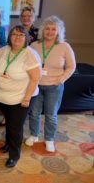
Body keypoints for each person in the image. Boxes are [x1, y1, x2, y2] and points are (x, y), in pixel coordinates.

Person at [25, 16, 76, 152]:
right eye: (47, 28)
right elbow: (27, 64)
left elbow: (71, 67)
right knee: (34, 113)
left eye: (53, 29)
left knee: (51, 114)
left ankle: (49, 139)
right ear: (42, 30)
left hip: (55, 86)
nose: (50, 31)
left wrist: (61, 79)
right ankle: (34, 134)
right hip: (36, 85)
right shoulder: (34, 45)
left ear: (58, 32)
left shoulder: (64, 46)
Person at [0, 25, 41, 168]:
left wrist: (26, 98)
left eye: (21, 35)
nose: (17, 37)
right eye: (14, 34)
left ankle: (14, 155)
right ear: (9, 37)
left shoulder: (30, 54)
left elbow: (35, 78)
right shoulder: (2, 51)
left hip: (22, 98)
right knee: (9, 123)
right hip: (3, 97)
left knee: (15, 127)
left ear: (26, 37)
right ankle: (8, 144)